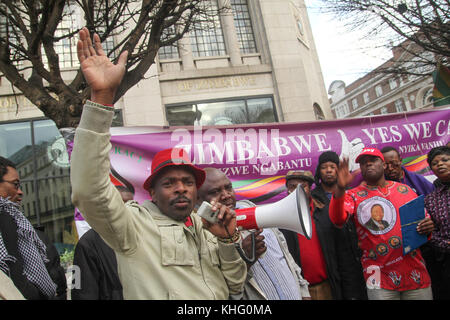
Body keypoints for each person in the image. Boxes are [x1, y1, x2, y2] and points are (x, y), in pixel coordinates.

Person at [70, 27, 246, 299]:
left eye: (188, 182)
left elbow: (235, 286)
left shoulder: (206, 224)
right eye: (169, 183)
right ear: (151, 192)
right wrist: (103, 99)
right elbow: (89, 190)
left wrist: (226, 242)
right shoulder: (132, 227)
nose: (181, 189)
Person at [329, 147, 434, 300]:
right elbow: (337, 220)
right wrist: (340, 188)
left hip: (414, 273)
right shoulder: (353, 196)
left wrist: (428, 227)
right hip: (377, 276)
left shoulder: (405, 190)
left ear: (384, 165)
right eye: (364, 163)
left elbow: (424, 223)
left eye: (373, 161)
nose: (368, 164)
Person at [197, 167, 311, 300]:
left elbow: (285, 256)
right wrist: (245, 259)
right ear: (199, 200)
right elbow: (225, 291)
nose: (226, 195)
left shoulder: (251, 208)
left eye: (228, 188)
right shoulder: (205, 237)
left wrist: (304, 292)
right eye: (215, 191)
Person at [282, 165, 366, 300]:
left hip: (328, 288)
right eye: (292, 187)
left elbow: (343, 256)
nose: (296, 191)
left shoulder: (325, 214)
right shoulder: (280, 221)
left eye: (302, 186)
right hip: (299, 292)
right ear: (287, 190)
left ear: (310, 189)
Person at [0, 156, 67, 300]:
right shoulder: (6, 219)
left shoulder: (21, 225)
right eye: (15, 184)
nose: (20, 192)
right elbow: (15, 273)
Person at [71, 186, 134, 300]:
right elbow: (82, 293)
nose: (125, 209)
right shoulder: (87, 244)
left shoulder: (144, 235)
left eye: (130, 204)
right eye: (119, 203)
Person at [424, 146, 450, 300]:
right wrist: (446, 244)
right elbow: (429, 233)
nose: (440, 164)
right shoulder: (430, 199)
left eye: (445, 160)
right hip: (446, 260)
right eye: (435, 163)